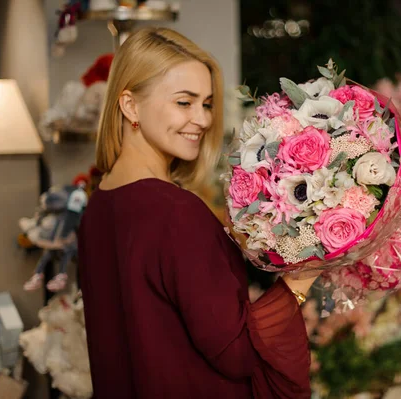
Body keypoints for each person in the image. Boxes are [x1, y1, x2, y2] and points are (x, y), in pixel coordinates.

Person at [78, 27, 320, 398]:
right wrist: (302, 279)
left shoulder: (99, 205)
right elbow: (238, 354)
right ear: (130, 105)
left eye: (206, 104)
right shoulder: (176, 213)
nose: (204, 120)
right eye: (183, 102)